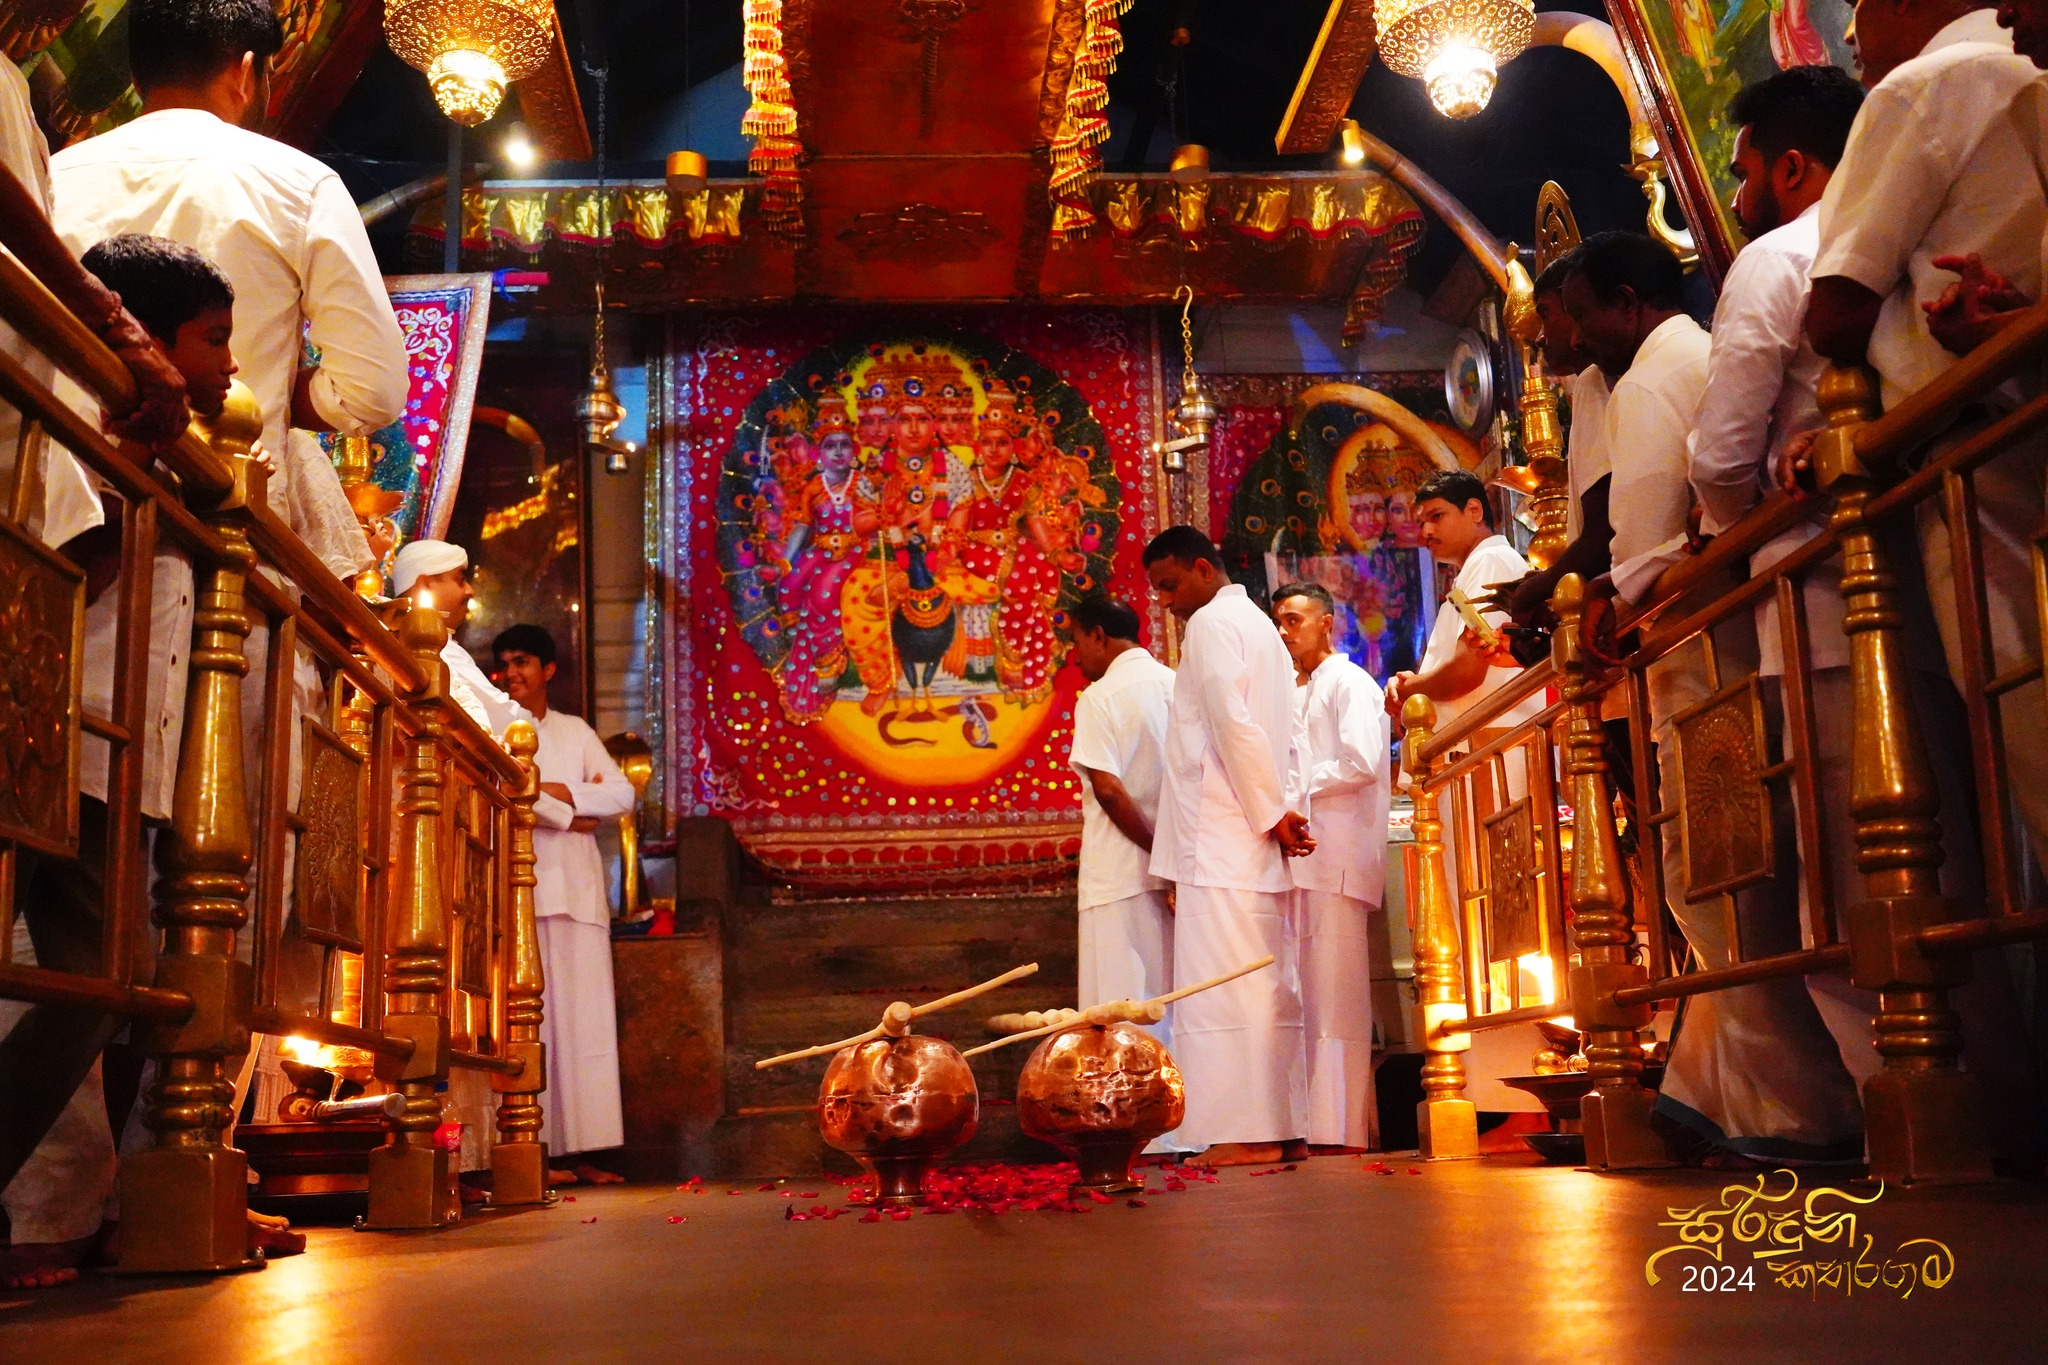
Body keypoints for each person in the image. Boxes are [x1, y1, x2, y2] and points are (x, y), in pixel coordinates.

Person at [1, 234, 292, 1290]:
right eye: (213, 340)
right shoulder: (81, 411)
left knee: (109, 978)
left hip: (120, 748)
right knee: (69, 967)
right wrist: (166, 490)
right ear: (145, 339)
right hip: (46, 714)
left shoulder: (165, 441)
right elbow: (73, 556)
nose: (225, 366)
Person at [1647, 69, 1871, 1163]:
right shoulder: (1892, 238)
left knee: (1845, 890)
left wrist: (1718, 550)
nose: (1731, 192)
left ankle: (1911, 1116)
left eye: (1734, 170)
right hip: (1916, 579)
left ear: (1788, 167)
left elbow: (1721, 455)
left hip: (1809, 607)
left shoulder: (1778, 259)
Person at [49, 0, 406, 578]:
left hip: (70, 521)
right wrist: (268, 388)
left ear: (138, 75)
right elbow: (375, 388)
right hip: (232, 536)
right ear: (246, 71)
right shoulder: (297, 183)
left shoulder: (55, 174)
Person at [1143, 526, 1311, 1167]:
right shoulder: (1258, 624)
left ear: (1203, 569)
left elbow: (1233, 727)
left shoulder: (1213, 624)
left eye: (1170, 584)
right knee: (1266, 987)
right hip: (1250, 832)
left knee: (1222, 991)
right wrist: (1280, 808)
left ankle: (1247, 1135)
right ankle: (1281, 1126)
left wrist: (1273, 813)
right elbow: (1284, 732)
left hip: (1222, 837)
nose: (1165, 601)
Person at [493, 625, 636, 1186]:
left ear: (549, 669)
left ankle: (581, 1154)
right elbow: (505, 792)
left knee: (585, 1029)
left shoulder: (574, 730)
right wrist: (569, 811)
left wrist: (549, 793)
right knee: (535, 1029)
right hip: (517, 893)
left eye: (523, 661)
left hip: (576, 895)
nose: (512, 673)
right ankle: (534, 1150)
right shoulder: (495, 725)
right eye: (504, 663)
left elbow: (621, 795)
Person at [1272, 582, 1388, 1152]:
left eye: (1294, 619)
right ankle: (1309, 1123)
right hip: (1303, 860)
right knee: (1303, 997)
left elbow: (1362, 762)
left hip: (1336, 859)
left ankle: (1338, 1131)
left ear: (1328, 623)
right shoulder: (1296, 690)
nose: (1284, 631)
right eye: (1279, 621)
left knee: (1335, 1000)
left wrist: (1294, 790)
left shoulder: (1349, 683)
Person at [1067, 596, 1178, 1055]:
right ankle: (1179, 1125)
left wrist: (1157, 851)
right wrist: (1174, 857)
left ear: (1098, 635)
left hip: (1119, 878)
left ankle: (1139, 1127)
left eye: (1077, 642)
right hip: (1181, 876)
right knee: (1172, 1010)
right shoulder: (1177, 685)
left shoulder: (1099, 698)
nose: (1076, 656)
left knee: (1117, 1026)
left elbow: (1108, 790)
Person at [1499, 249, 1615, 631]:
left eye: (1547, 315)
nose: (1542, 336)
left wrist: (1539, 590)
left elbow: (1603, 532)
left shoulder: (1596, 383)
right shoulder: (1589, 385)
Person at [1384, 470, 1538, 735]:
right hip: (1485, 744)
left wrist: (1406, 689)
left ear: (1474, 510)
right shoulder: (1479, 565)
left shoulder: (1490, 559)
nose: (1426, 531)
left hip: (1494, 744)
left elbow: (1466, 673)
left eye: (1436, 516)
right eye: (1422, 523)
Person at [391, 539, 532, 740]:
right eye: (460, 579)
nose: (470, 590)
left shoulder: (445, 645)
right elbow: (504, 719)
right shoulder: (434, 648)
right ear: (426, 583)